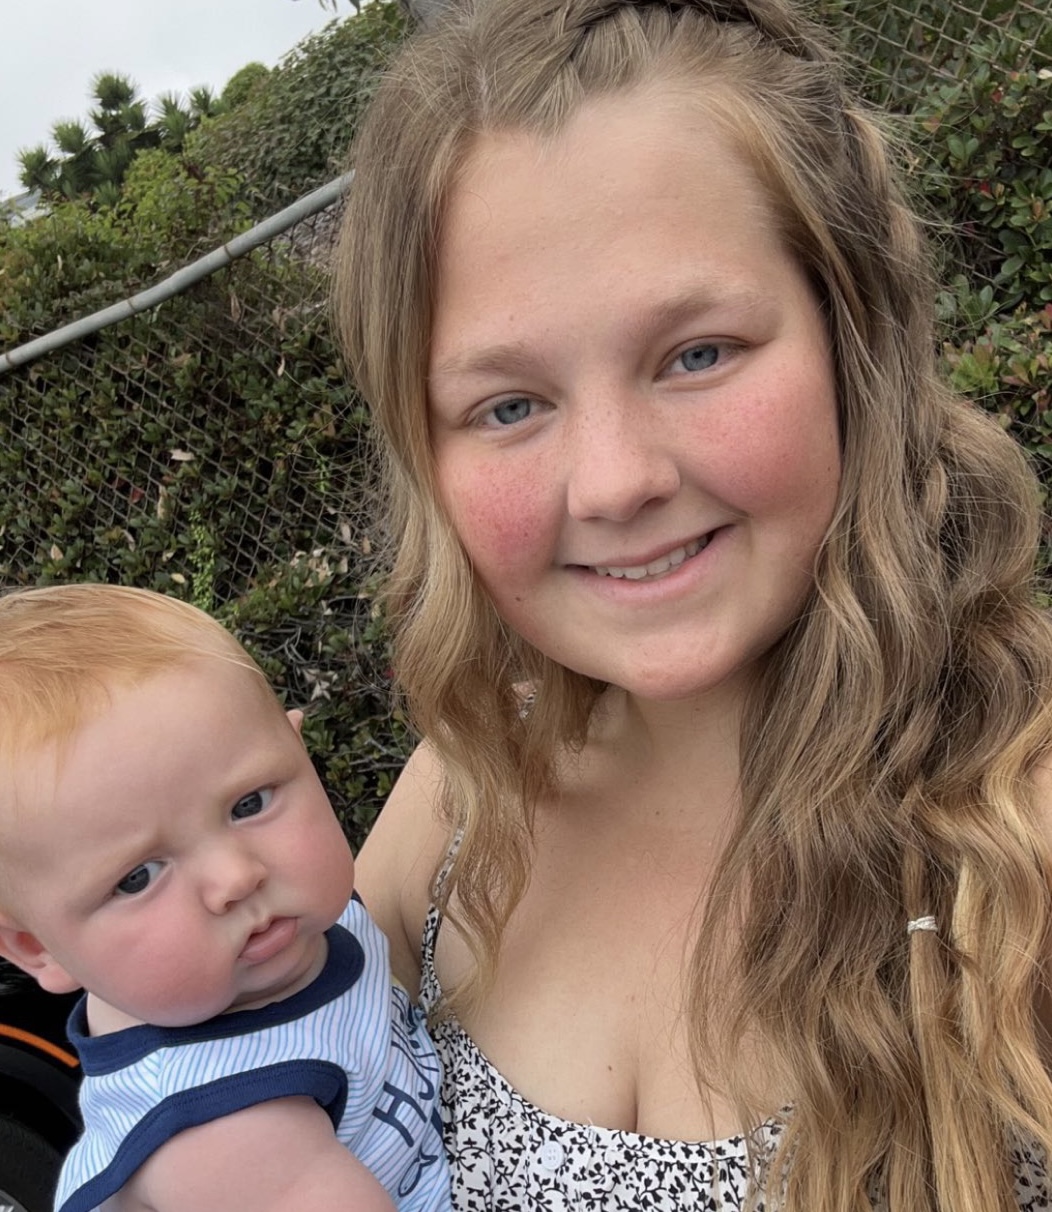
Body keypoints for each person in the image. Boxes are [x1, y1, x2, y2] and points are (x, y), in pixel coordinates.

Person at [332, 1, 1052, 1209]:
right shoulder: (459, 799)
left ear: (851, 335)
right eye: (507, 406)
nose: (614, 481)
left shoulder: (1017, 836)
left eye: (696, 353)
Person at [0, 584, 449, 1212]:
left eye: (249, 804)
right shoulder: (221, 1133)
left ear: (300, 753)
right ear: (38, 947)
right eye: (138, 878)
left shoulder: (285, 932)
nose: (236, 877)